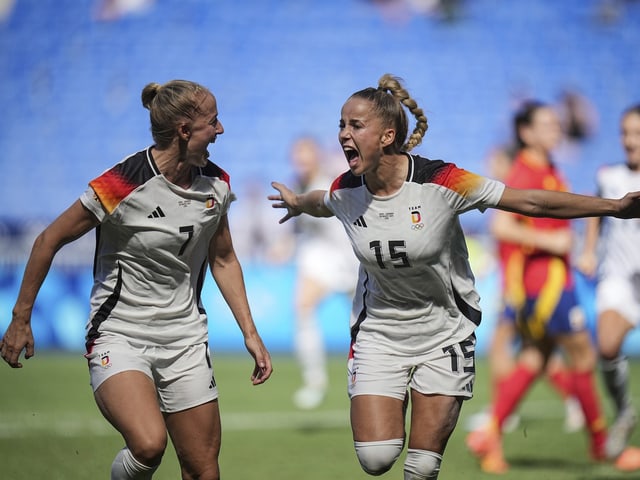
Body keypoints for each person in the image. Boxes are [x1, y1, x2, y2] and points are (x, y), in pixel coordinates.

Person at [268, 73, 640, 479]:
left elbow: (528, 201)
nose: (343, 135)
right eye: (341, 124)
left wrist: (613, 207)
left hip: (445, 334)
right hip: (379, 334)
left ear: (388, 135)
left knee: (422, 469)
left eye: (355, 125)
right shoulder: (346, 189)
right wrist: (296, 202)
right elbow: (320, 201)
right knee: (376, 458)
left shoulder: (443, 181)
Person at [0, 79, 273, 480]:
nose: (221, 130)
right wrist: (20, 318)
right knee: (148, 445)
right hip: (120, 334)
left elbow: (224, 257)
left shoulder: (217, 184)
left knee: (203, 471)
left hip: (185, 340)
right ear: (184, 131)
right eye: (213, 122)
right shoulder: (122, 182)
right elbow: (48, 240)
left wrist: (250, 333)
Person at [466, 100, 640, 474]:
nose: (556, 129)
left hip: (548, 282)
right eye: (547, 124)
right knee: (583, 358)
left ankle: (489, 433)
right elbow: (501, 227)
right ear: (526, 132)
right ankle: (602, 448)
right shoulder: (525, 173)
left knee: (534, 360)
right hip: (546, 285)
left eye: (557, 123)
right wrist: (555, 244)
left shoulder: (547, 168)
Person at [577, 104, 640, 464]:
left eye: (637, 134)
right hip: (617, 277)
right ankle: (624, 414)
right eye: (625, 133)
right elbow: (596, 214)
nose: (630, 141)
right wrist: (588, 251)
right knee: (607, 344)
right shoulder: (610, 175)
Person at [287, 136, 358, 410]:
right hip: (317, 257)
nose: (300, 162)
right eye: (296, 157)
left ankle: (363, 373)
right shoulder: (297, 185)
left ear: (316, 156)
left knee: (360, 322)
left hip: (348, 256)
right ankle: (314, 381)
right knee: (303, 306)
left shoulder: (332, 180)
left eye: (305, 155)